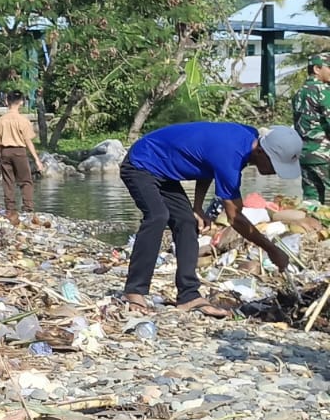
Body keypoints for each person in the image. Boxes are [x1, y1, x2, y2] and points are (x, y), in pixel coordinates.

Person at [119, 122, 301, 317]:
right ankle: (134, 290)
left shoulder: (248, 138)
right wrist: (272, 250)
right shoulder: (231, 156)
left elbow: (207, 164)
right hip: (141, 163)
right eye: (274, 164)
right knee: (157, 216)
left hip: (164, 173)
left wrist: (197, 207)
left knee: (187, 222)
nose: (275, 171)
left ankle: (189, 296)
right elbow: (235, 219)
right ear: (261, 152)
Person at [0, 91, 42, 219]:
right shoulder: (23, 120)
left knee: (8, 181)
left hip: (5, 151)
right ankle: (28, 208)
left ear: (6, 102)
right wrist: (36, 159)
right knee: (25, 180)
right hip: (19, 151)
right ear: (21, 102)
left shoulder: (0, 120)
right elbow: (28, 141)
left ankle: (10, 209)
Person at [291, 52, 330, 207]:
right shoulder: (323, 91)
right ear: (316, 69)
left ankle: (313, 228)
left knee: (311, 200)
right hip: (324, 154)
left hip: (305, 154)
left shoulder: (299, 93)